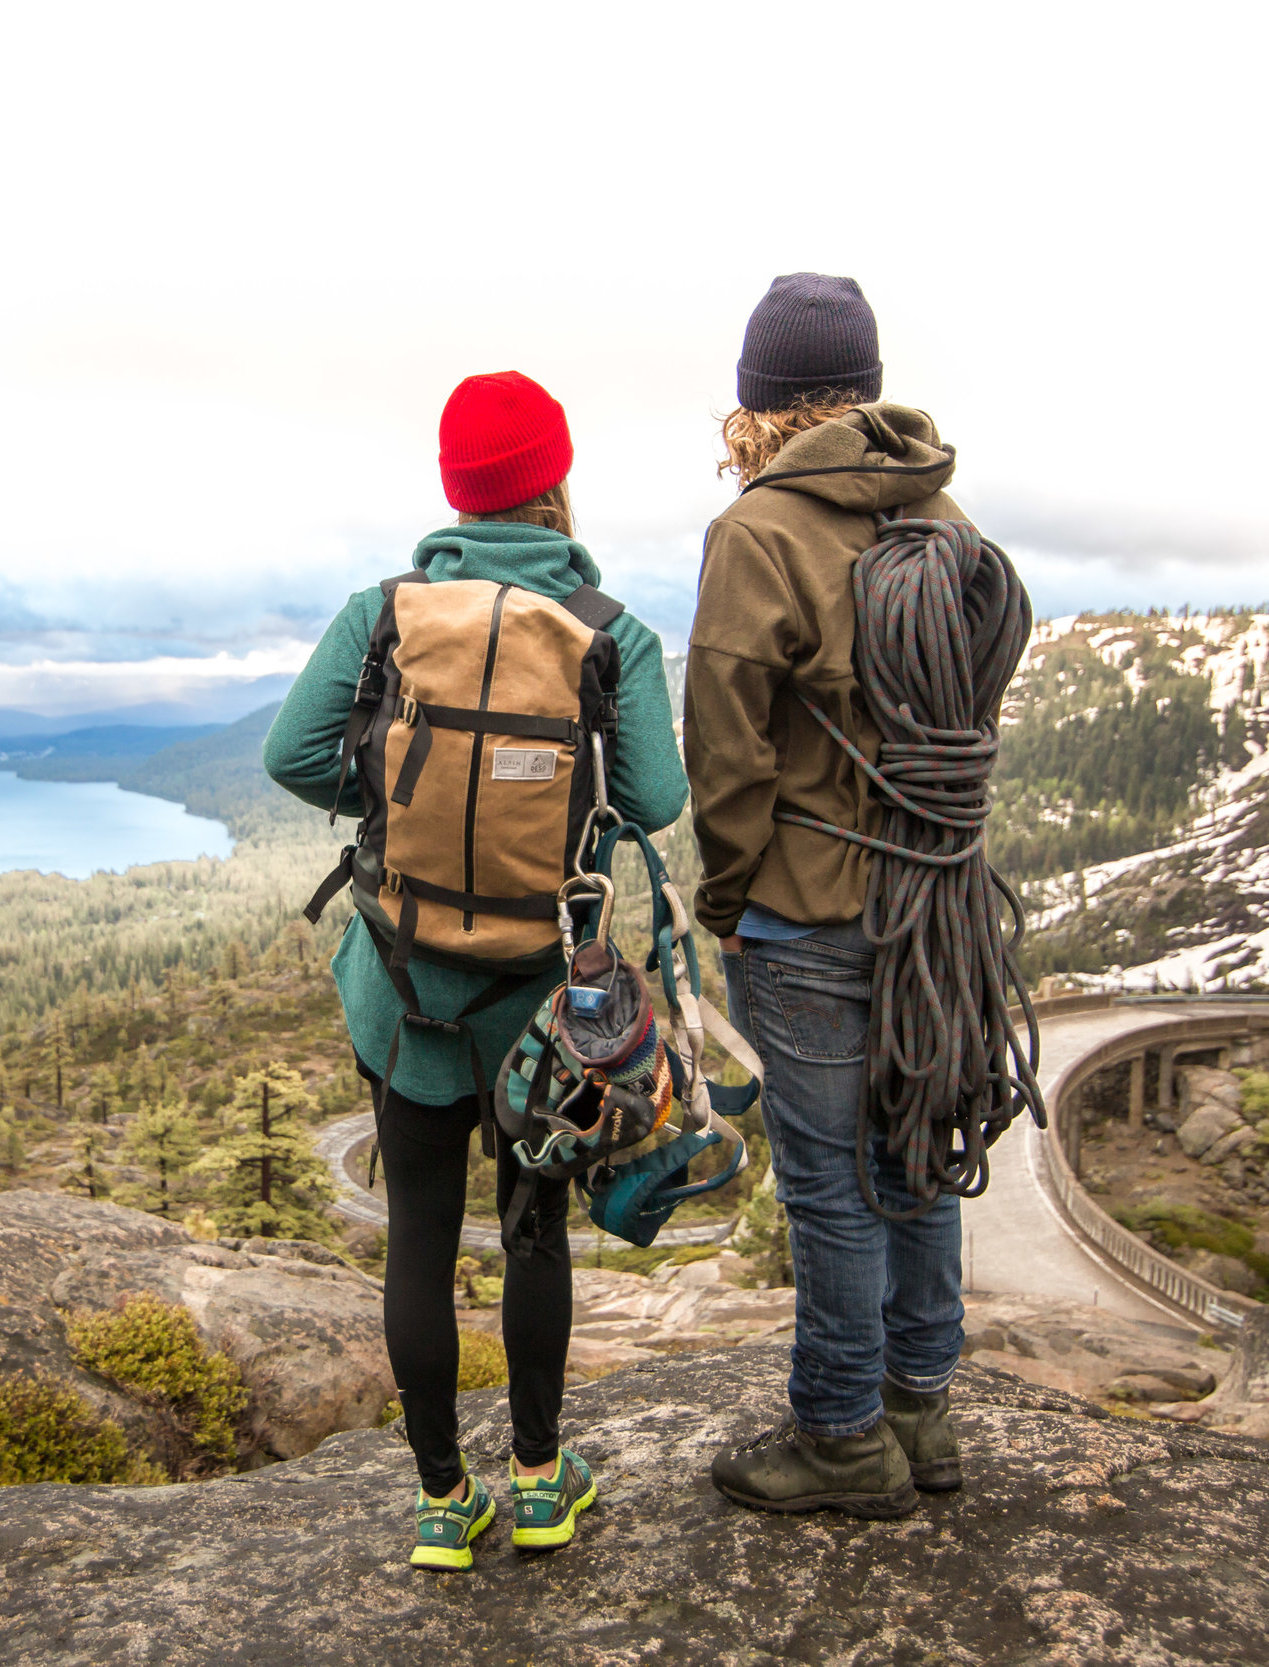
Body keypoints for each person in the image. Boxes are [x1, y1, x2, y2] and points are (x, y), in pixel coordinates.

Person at [264, 371, 686, 1569]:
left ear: (456, 488)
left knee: (418, 1237)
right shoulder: (612, 634)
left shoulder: (386, 611)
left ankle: (444, 1502)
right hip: (539, 1003)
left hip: (399, 987)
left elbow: (289, 750)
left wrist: (392, 804)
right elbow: (655, 797)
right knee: (533, 1227)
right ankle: (544, 1482)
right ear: (554, 484)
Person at [683, 274, 968, 1518]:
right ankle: (923, 1412)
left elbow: (727, 743)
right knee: (913, 1153)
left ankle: (844, 1434)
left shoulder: (759, 531)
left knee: (826, 1182)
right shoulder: (941, 513)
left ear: (759, 407)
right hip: (929, 905)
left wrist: (729, 891)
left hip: (804, 910)